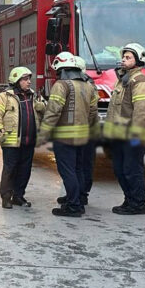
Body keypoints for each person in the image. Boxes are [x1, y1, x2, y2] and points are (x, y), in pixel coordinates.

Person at [37, 52, 99, 217]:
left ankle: (73, 206)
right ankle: (78, 201)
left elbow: (53, 111)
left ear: (61, 67)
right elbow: (93, 112)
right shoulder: (88, 85)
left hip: (64, 137)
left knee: (67, 171)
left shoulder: (61, 85)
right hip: (83, 136)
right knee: (78, 169)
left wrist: (43, 132)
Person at [103, 43, 145, 215]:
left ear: (138, 60)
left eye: (128, 57)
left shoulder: (140, 82)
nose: (123, 60)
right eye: (123, 57)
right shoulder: (123, 80)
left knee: (132, 170)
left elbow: (141, 110)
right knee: (119, 169)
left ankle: (138, 204)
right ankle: (129, 199)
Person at [0, 67, 45, 209]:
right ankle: (6, 197)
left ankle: (18, 196)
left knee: (25, 170)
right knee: (10, 169)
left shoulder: (32, 96)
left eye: (29, 79)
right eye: (25, 79)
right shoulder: (5, 97)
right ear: (16, 80)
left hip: (29, 141)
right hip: (11, 141)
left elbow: (43, 111)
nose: (29, 82)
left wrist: (42, 105)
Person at [57, 56, 98, 208]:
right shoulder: (88, 83)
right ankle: (75, 195)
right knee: (78, 165)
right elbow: (93, 110)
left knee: (78, 166)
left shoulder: (83, 84)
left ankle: (79, 197)